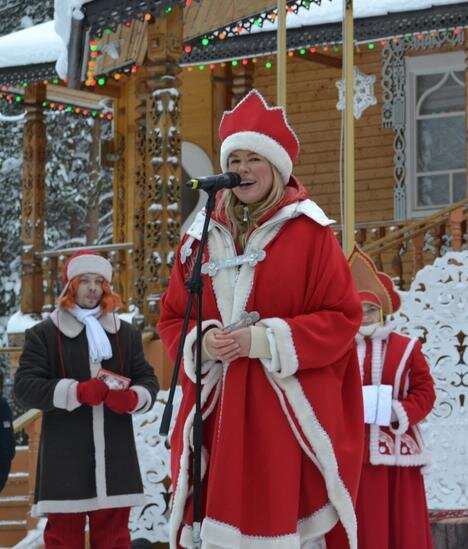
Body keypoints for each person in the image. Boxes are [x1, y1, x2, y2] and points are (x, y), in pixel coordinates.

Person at [157, 90, 364, 548]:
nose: (243, 169)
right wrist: (203, 342)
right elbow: (172, 316)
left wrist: (264, 340)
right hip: (215, 411)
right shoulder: (198, 238)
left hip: (280, 412)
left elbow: (342, 317)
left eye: (255, 158)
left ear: (278, 168)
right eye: (236, 158)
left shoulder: (310, 233)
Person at [13, 252, 158, 548]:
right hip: (65, 460)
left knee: (115, 541)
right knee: (63, 541)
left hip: (116, 460)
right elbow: (25, 387)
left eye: (99, 282)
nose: (93, 288)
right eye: (86, 281)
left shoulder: (125, 334)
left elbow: (148, 380)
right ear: (71, 286)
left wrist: (133, 398)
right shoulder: (44, 334)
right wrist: (75, 392)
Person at [349, 247, 437, 549]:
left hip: (398, 454)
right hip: (352, 453)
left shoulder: (406, 347)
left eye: (370, 309)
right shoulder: (337, 349)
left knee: (403, 529)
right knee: (362, 529)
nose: (365, 316)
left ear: (382, 310)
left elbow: (426, 392)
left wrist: (399, 411)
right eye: (358, 309)